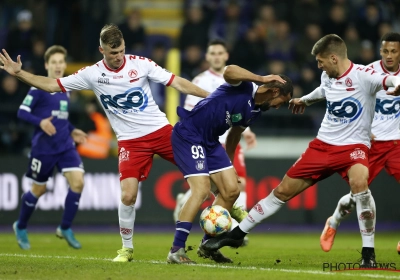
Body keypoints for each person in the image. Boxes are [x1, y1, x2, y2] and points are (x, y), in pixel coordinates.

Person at [0, 24, 209, 262]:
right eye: (113, 53)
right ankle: (127, 249)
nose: (118, 57)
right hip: (130, 142)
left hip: (161, 132)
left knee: (202, 178)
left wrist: (210, 97)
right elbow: (50, 85)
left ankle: (224, 212)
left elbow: (177, 82)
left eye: (121, 51)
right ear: (101, 50)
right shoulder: (92, 74)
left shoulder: (141, 64)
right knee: (128, 195)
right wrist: (19, 73)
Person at [200, 34, 400, 268]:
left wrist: (397, 87)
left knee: (360, 185)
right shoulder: (328, 75)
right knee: (281, 192)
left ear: (334, 58)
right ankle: (237, 234)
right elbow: (324, 91)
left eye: (321, 61)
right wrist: (304, 100)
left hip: (354, 147)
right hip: (322, 146)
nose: (318, 66)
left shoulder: (365, 76)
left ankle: (368, 254)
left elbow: (389, 82)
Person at [167, 65, 293, 264]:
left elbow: (234, 135)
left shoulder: (255, 111)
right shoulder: (244, 86)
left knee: (231, 190)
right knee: (201, 190)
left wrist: (230, 164)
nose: (278, 107)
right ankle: (176, 250)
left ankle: (208, 245)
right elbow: (229, 71)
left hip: (211, 142)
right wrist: (261, 77)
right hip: (190, 134)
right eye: (280, 102)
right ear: (275, 91)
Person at [319, 32, 400, 255]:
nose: (389, 55)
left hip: (396, 145)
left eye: (394, 51)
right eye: (385, 51)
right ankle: (334, 221)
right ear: (380, 51)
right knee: (357, 196)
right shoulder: (368, 72)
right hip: (370, 144)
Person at [173, 39, 257, 228]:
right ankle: (226, 224)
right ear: (207, 57)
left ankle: (230, 227)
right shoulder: (200, 81)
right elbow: (193, 112)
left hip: (230, 137)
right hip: (207, 140)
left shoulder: (238, 79)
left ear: (226, 55)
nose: (217, 57)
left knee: (237, 183)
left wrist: (247, 131)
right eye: (213, 53)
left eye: (220, 53)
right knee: (212, 187)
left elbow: (242, 109)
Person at [13, 45, 87, 250]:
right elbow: (22, 112)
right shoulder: (38, 88)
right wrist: (41, 122)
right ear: (47, 65)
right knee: (39, 189)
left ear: (65, 65)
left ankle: (65, 227)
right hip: (44, 148)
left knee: (78, 183)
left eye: (60, 62)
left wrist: (72, 130)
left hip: (65, 146)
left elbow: (61, 117)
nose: (57, 66)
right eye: (53, 62)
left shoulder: (66, 88)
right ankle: (20, 225)